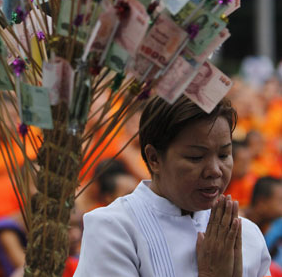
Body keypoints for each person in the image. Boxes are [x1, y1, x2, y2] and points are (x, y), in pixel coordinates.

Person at [74, 95, 271, 276]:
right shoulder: (115, 229)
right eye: (196, 157)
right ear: (154, 159)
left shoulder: (246, 234)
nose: (215, 170)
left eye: (223, 155)